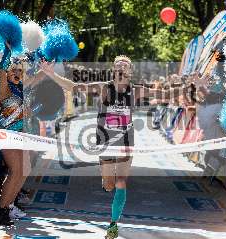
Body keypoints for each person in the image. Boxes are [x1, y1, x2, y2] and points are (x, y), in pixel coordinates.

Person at [40, 55, 191, 239]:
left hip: (126, 140)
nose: (121, 67)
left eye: (125, 65)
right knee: (109, 184)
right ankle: (108, 187)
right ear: (113, 69)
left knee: (121, 181)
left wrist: (190, 86)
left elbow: (164, 95)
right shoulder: (104, 87)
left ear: (129, 71)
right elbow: (73, 86)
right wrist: (51, 74)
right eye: (118, 64)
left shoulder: (135, 90)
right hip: (105, 140)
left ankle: (113, 224)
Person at [0, 58, 31, 224]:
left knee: (24, 170)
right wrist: (7, 50)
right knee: (16, 170)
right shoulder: (5, 87)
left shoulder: (22, 89)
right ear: (7, 71)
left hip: (20, 135)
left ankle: (7, 207)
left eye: (20, 70)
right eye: (13, 70)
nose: (16, 73)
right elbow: (1, 67)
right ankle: (0, 209)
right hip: (6, 135)